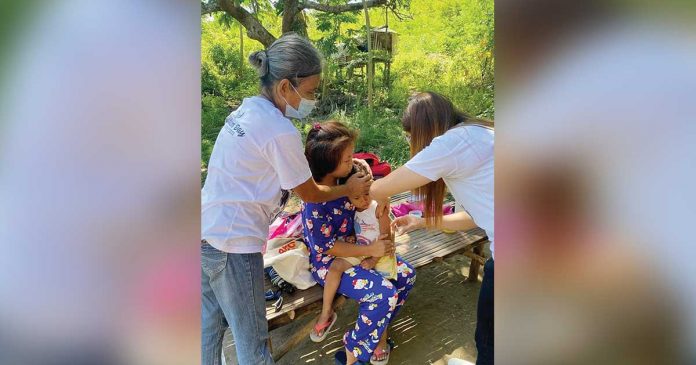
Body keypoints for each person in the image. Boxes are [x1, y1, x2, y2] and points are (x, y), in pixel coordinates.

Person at [200, 34, 372, 365]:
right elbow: (308, 193)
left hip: (206, 231)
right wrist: (349, 190)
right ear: (284, 88)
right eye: (308, 92)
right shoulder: (278, 130)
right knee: (252, 342)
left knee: (211, 325)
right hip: (234, 243)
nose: (310, 100)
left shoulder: (247, 110)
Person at [369, 92, 494, 365]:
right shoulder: (480, 133)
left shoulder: (452, 143)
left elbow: (378, 187)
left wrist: (382, 196)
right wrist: (422, 221)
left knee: (491, 337)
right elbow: (476, 218)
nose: (410, 142)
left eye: (409, 135)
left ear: (424, 130)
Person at [300, 121, 416, 365]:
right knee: (384, 295)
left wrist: (383, 194)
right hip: (331, 261)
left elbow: (374, 182)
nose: (353, 160)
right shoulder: (314, 202)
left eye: (353, 155)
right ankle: (355, 349)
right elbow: (326, 247)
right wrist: (370, 251)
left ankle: (371, 336)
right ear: (329, 165)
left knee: (406, 275)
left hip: (362, 248)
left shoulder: (346, 177)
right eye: (347, 158)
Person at [309, 160, 398, 357]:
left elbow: (386, 238)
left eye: (366, 193)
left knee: (389, 290)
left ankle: (366, 343)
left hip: (375, 253)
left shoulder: (376, 207)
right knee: (338, 269)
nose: (364, 200)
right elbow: (327, 246)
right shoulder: (344, 201)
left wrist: (373, 259)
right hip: (359, 249)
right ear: (348, 194)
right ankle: (326, 313)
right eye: (357, 196)